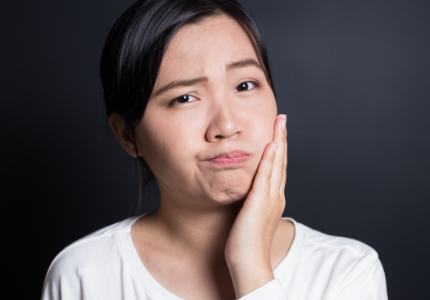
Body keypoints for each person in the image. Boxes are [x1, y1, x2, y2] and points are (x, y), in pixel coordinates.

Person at [41, 0, 388, 299]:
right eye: (185, 98)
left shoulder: (345, 272)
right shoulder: (84, 275)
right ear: (127, 135)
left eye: (245, 85)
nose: (226, 126)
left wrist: (250, 264)